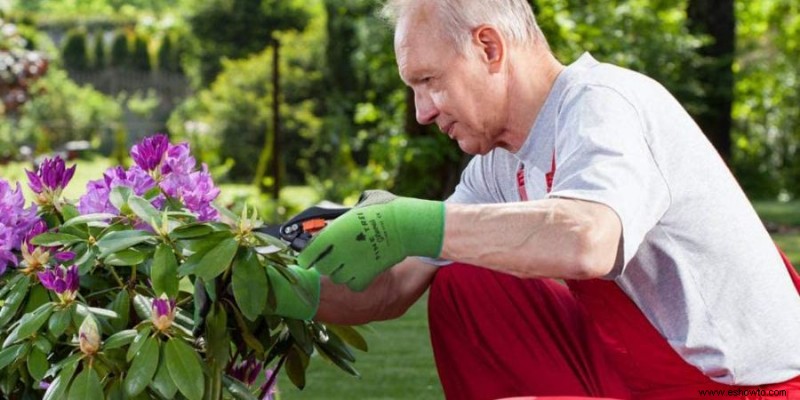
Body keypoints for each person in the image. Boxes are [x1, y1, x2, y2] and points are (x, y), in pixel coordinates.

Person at [276, 0, 800, 398]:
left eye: (429, 81)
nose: (422, 112)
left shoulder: (603, 103)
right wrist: (265, 281)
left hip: (752, 389)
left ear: (489, 47)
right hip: (639, 371)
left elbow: (588, 239)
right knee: (466, 282)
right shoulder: (495, 166)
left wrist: (412, 222)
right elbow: (391, 289)